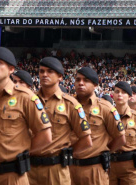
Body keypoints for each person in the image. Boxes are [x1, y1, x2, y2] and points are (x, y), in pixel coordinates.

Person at [0, 47, 52, 185]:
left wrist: (21, 151)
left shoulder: (25, 97)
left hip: (11, 175)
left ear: (11, 69)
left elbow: (45, 136)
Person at [28, 57, 92, 185]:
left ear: (60, 77)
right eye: (41, 71)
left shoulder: (70, 104)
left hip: (56, 170)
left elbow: (86, 140)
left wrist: (66, 154)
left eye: (50, 71)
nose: (44, 74)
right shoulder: (28, 100)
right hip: (29, 169)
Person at [70, 67, 126, 185]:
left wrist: (102, 151)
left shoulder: (104, 108)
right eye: (78, 79)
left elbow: (120, 138)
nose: (80, 83)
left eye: (86, 80)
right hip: (68, 168)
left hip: (94, 170)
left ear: (95, 85)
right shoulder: (68, 105)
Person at [110, 81, 136, 185]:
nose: (120, 94)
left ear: (129, 96)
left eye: (124, 92)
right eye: (117, 91)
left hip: (130, 169)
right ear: (113, 95)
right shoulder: (107, 116)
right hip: (109, 167)